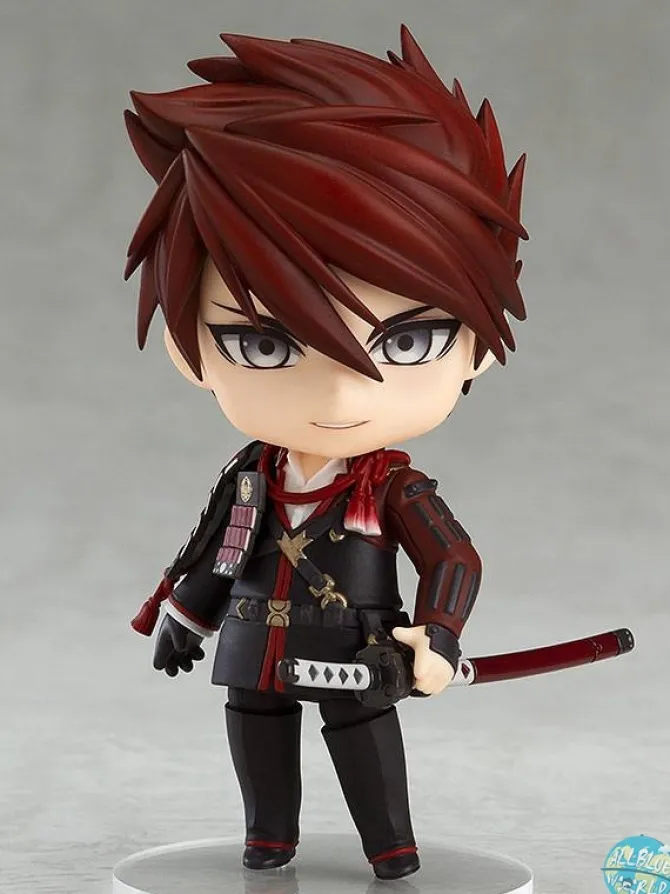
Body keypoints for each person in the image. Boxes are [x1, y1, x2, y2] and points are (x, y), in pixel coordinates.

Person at [125, 24, 527, 882]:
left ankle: (392, 849)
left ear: (480, 349)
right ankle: (268, 839)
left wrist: (438, 636)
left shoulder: (392, 487)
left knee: (360, 736)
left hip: (356, 644)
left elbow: (452, 557)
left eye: (409, 341)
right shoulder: (252, 476)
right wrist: (186, 614)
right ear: (188, 351)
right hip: (254, 640)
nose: (342, 397)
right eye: (265, 345)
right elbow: (221, 549)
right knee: (255, 728)